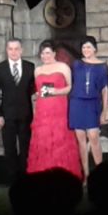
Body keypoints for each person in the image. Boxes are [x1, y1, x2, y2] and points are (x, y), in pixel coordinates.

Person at [26, 41, 82, 179]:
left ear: (54, 53)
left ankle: (64, 175)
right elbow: (39, 90)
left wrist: (56, 91)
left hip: (59, 109)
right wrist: (37, 95)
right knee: (43, 140)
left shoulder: (63, 67)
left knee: (60, 140)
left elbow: (70, 87)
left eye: (48, 53)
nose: (45, 56)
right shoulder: (38, 70)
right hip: (42, 111)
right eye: (43, 54)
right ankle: (42, 174)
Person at [0, 37, 35, 180]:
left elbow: (36, 89)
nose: (14, 52)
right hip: (6, 115)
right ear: (6, 50)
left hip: (26, 115)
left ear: (21, 50)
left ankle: (25, 177)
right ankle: (13, 179)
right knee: (9, 148)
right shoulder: (0, 68)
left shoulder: (30, 67)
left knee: (25, 148)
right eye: (11, 49)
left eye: (16, 49)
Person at [69, 35, 108, 177]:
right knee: (81, 140)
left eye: (88, 47)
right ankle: (86, 175)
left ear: (95, 49)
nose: (85, 50)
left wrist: (104, 112)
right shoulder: (76, 64)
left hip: (92, 104)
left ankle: (100, 174)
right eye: (83, 47)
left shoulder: (103, 66)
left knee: (94, 137)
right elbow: (69, 83)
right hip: (77, 103)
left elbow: (105, 90)